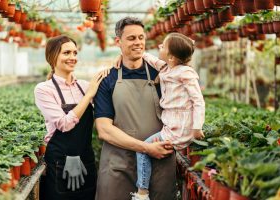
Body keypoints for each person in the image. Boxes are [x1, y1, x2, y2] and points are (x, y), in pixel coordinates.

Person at [94, 17, 177, 200]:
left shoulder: (162, 76)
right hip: (119, 163)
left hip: (159, 161)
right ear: (118, 42)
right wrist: (146, 148)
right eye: (131, 38)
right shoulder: (108, 80)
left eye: (141, 37)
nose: (138, 42)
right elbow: (104, 130)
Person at [131, 33, 206, 200]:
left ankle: (142, 192)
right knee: (149, 149)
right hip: (171, 124)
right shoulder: (167, 68)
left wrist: (197, 127)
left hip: (179, 128)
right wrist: (137, 51)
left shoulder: (185, 73)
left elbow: (198, 101)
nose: (159, 47)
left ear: (171, 57)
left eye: (163, 46)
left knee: (143, 149)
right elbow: (152, 59)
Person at [34, 35, 108, 200]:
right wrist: (89, 95)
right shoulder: (44, 89)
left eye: (75, 53)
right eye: (66, 53)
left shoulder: (83, 86)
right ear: (53, 57)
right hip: (59, 161)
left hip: (85, 158)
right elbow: (64, 124)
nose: (73, 57)